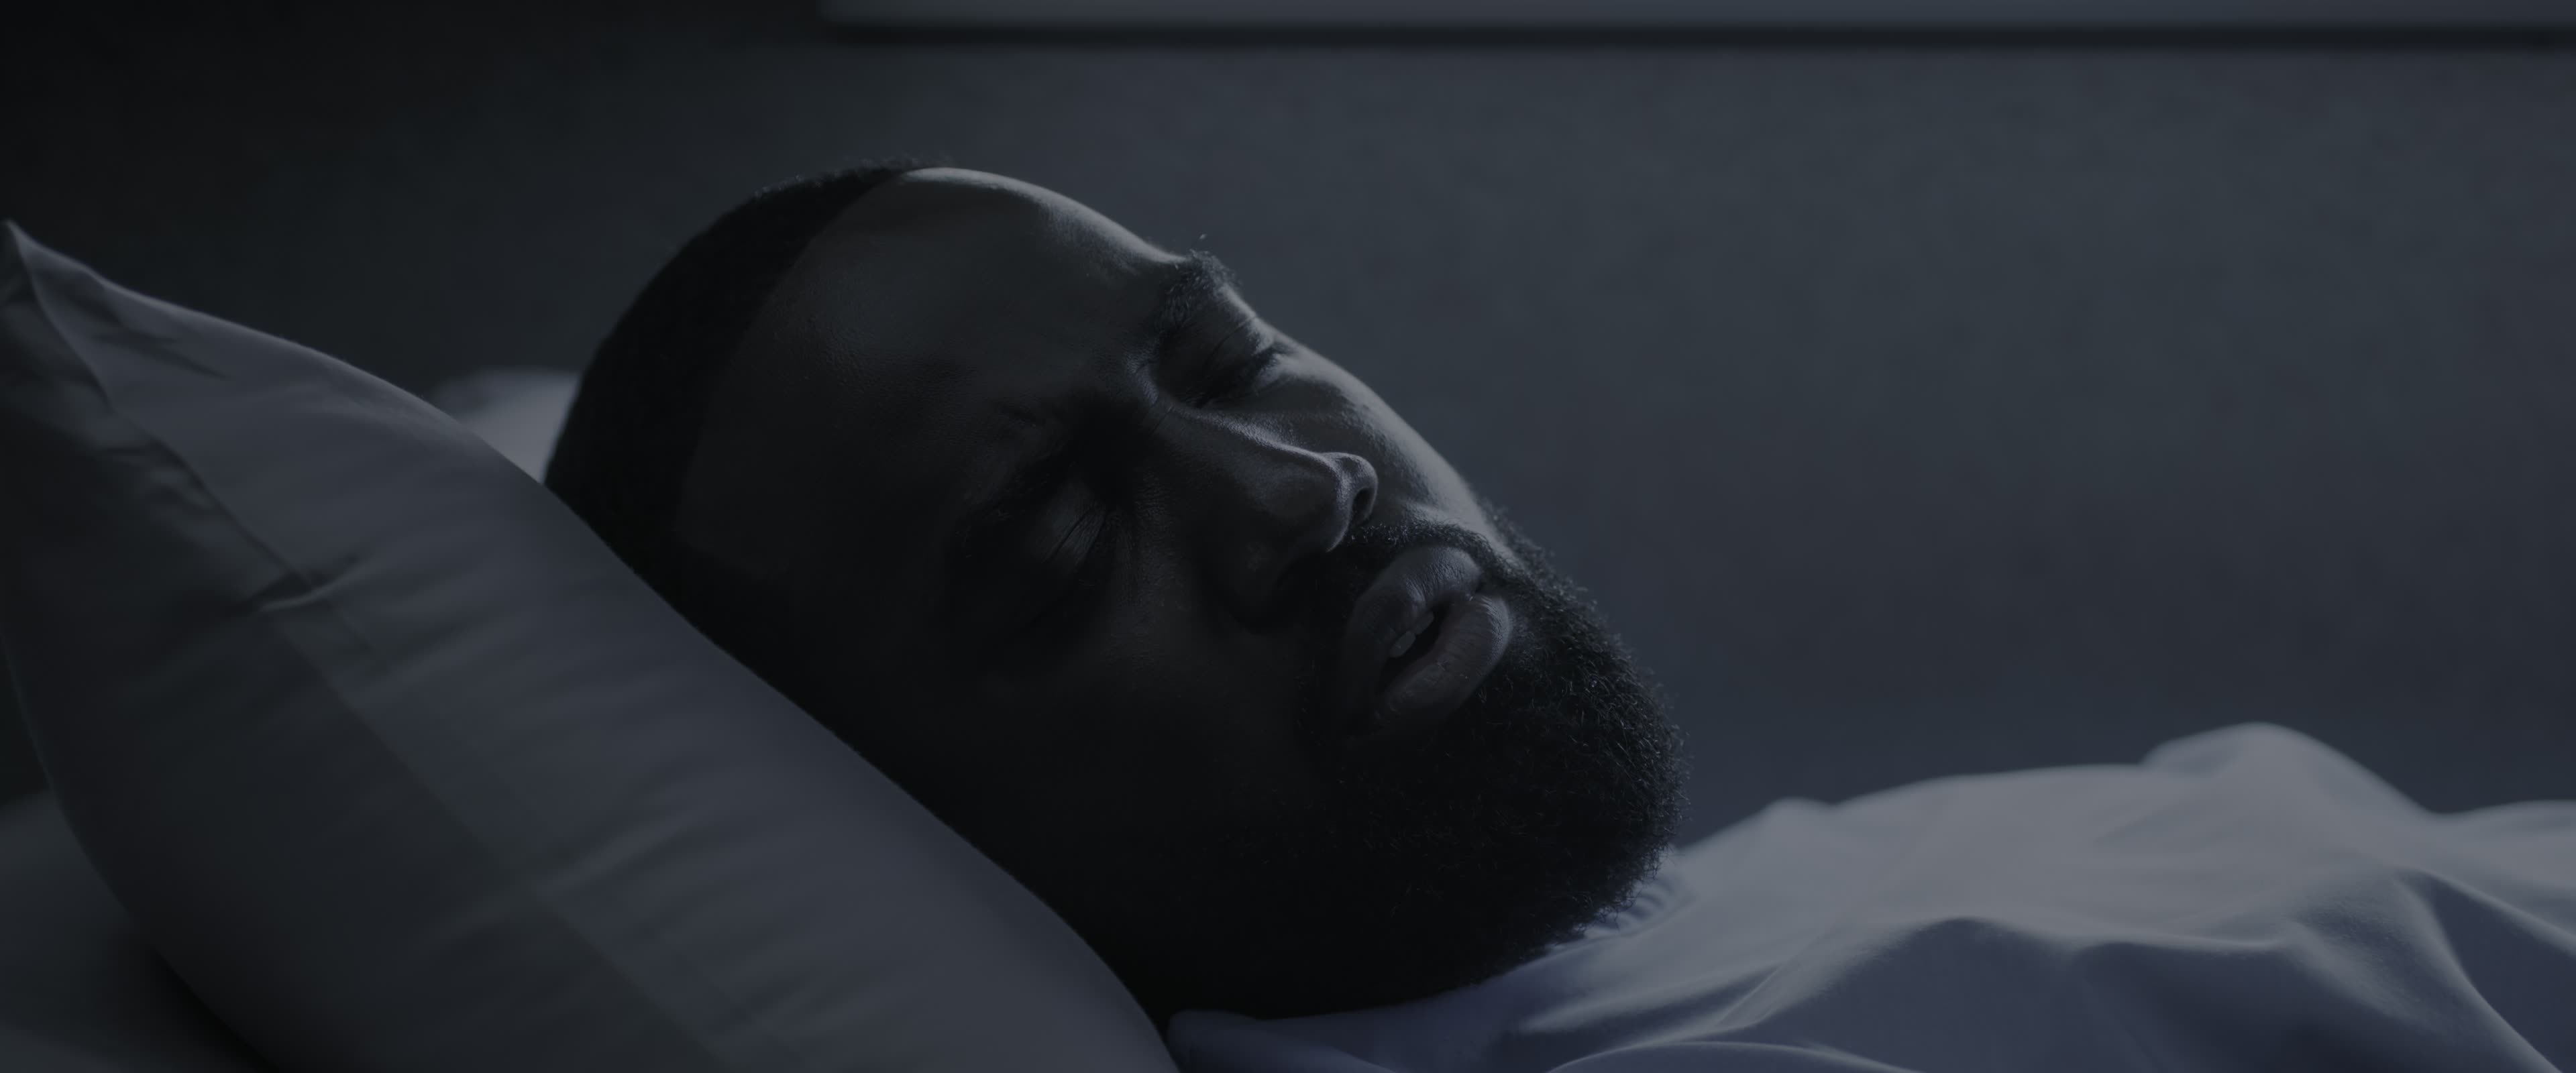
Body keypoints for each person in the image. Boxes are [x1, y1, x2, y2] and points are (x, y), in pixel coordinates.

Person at [542, 164, 2576, 1072]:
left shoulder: (1772, 893)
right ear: (875, 814)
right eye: (1063, 554)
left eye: (1231, 360)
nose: (1301, 492)